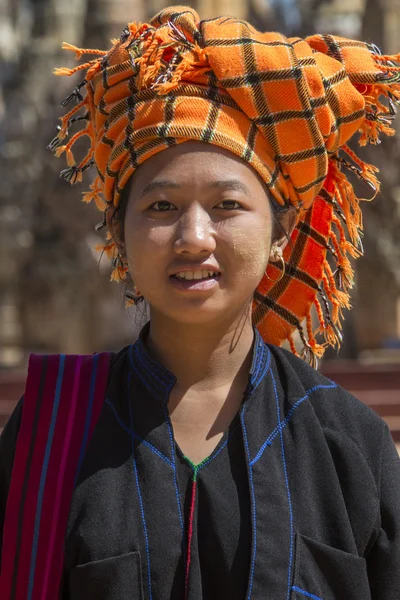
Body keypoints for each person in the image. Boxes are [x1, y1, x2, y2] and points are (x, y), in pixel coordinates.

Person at [1, 5, 400, 599]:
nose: (193, 238)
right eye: (161, 207)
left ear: (280, 233)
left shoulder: (345, 442)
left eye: (227, 205)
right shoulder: (51, 430)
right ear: (120, 230)